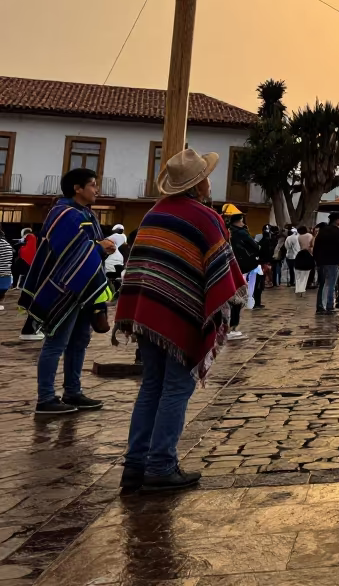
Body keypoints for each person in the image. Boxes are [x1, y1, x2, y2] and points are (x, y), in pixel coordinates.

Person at [115, 148, 248, 492]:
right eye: (205, 176)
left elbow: (143, 266)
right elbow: (223, 273)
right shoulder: (205, 218)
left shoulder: (153, 215)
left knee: (151, 386)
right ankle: (161, 465)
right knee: (177, 386)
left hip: (148, 312)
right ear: (198, 184)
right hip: (181, 314)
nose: (209, 181)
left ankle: (135, 465)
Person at [19, 168, 115, 415]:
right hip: (63, 288)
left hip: (84, 289)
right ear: (77, 188)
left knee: (79, 341)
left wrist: (101, 247)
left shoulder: (86, 214)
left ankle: (73, 391)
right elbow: (68, 252)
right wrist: (99, 246)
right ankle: (46, 398)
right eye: (93, 185)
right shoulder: (62, 214)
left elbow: (86, 249)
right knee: (56, 342)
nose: (96, 190)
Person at [226, 213, 259, 339]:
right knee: (237, 298)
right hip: (239, 267)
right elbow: (254, 246)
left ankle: (228, 327)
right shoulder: (241, 233)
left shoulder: (227, 232)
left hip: (227, 267)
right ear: (239, 221)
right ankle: (232, 327)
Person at [312, 213, 339, 315]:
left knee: (322, 284)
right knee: (331, 284)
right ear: (337, 220)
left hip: (321, 262)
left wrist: (316, 260)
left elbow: (316, 246)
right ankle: (329, 306)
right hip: (332, 261)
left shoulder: (322, 231)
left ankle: (320, 306)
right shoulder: (336, 231)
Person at [293, 226, 314, 296]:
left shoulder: (299, 237)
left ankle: (298, 288)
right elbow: (311, 246)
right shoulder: (310, 235)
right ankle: (306, 285)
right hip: (309, 254)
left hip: (301, 254)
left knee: (299, 273)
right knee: (308, 272)